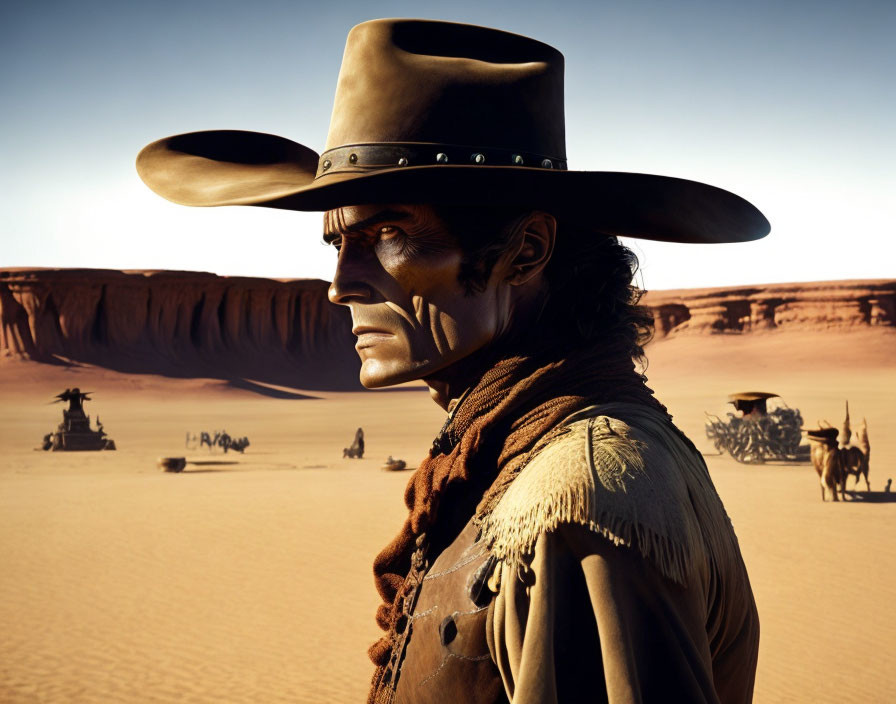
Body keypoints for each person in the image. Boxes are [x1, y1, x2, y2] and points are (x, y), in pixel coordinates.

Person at [137, 19, 769, 703]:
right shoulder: (519, 455)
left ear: (524, 252)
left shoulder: (577, 504)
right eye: (338, 244)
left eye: (388, 233)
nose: (340, 284)